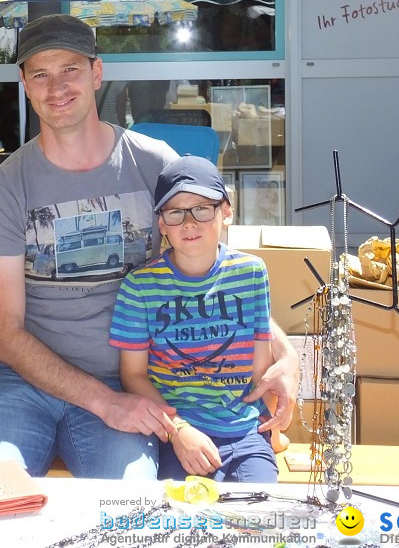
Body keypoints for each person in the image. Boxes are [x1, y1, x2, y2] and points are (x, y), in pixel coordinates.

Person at [0, 13, 298, 479]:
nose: (57, 86)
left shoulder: (156, 166)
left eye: (70, 69)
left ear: (97, 73)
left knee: (128, 508)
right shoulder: (5, 187)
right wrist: (105, 403)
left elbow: (214, 275)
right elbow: (5, 335)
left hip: (131, 379)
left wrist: (287, 355)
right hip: (23, 384)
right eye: (40, 73)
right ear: (25, 85)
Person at [110, 156, 278, 483]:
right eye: (175, 212)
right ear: (161, 224)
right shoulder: (140, 287)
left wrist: (270, 428)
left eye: (202, 208)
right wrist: (178, 432)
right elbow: (132, 375)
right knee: (185, 522)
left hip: (244, 433)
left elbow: (261, 364)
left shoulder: (252, 273)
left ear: (226, 211)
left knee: (260, 519)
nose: (189, 223)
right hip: (177, 437)